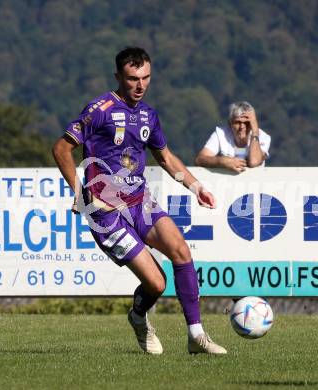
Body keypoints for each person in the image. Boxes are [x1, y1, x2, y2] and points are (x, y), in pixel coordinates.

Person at [52, 47, 227, 355]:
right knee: (157, 284)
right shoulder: (99, 109)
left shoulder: (148, 114)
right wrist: (80, 193)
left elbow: (166, 157)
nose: (140, 85)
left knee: (181, 250)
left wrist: (195, 185)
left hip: (139, 200)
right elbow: (61, 150)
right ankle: (137, 317)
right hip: (105, 212)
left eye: (146, 78)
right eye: (133, 79)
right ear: (118, 76)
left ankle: (196, 336)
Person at [195, 101, 271, 172]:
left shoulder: (263, 137)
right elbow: (199, 160)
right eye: (237, 122)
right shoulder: (220, 133)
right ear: (230, 123)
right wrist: (222, 161)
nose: (242, 127)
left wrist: (255, 131)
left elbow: (254, 162)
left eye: (247, 123)